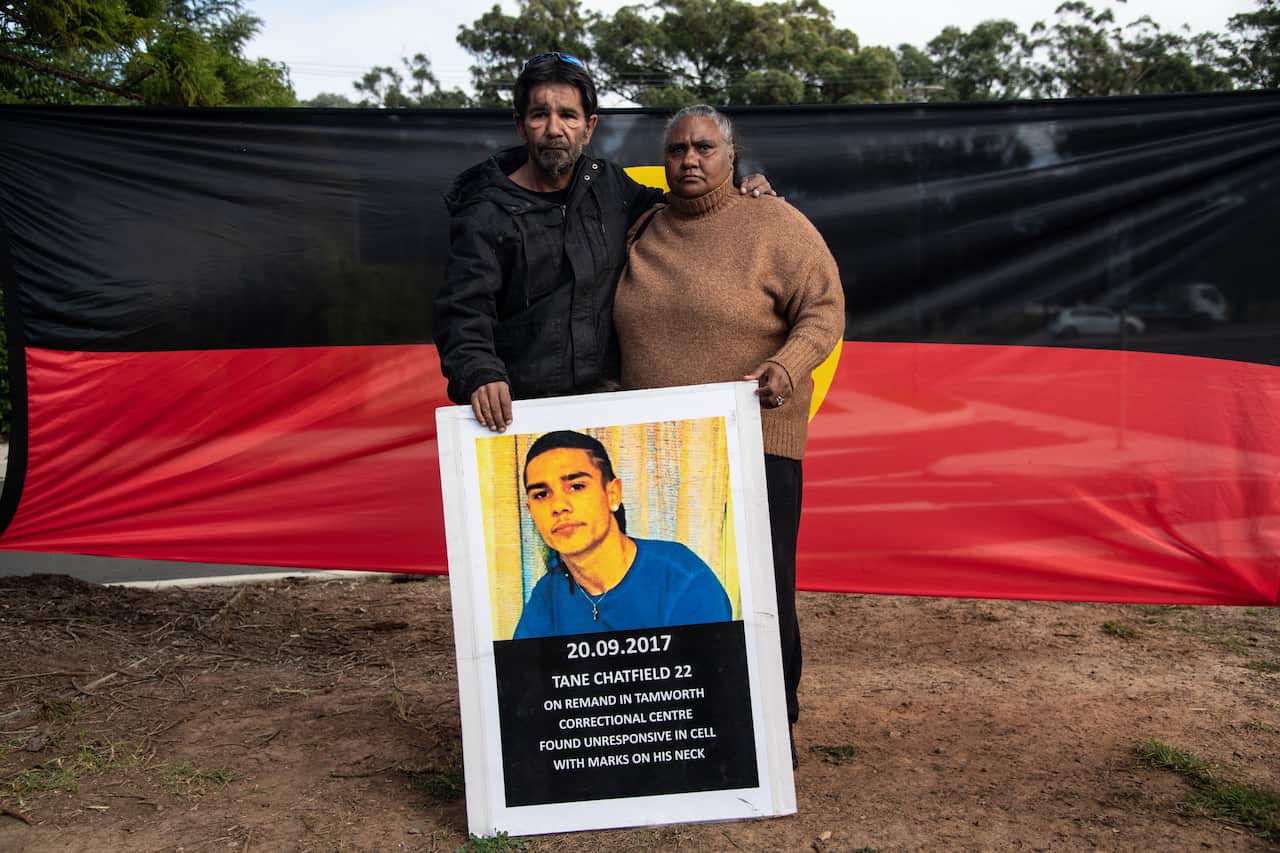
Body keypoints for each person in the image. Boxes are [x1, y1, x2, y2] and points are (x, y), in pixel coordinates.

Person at [613, 104, 846, 762]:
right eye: (678, 148)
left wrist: (786, 366)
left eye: (704, 148)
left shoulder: (774, 223)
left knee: (762, 592)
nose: (690, 159)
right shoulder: (639, 227)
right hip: (658, 452)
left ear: (731, 155)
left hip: (756, 446)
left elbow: (824, 308)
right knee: (674, 593)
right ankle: (685, 730)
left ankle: (774, 731)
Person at [433, 53, 773, 434]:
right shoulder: (484, 212)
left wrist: (739, 185)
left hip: (613, 409)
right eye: (539, 114)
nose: (554, 128)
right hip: (517, 416)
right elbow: (463, 312)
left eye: (568, 115)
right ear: (520, 125)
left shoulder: (610, 186)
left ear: (589, 126)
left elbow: (683, 206)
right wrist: (479, 372)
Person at [513, 429, 731, 639]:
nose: (558, 505)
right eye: (541, 494)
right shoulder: (546, 595)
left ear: (613, 494)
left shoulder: (682, 579)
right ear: (531, 511)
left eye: (576, 486)